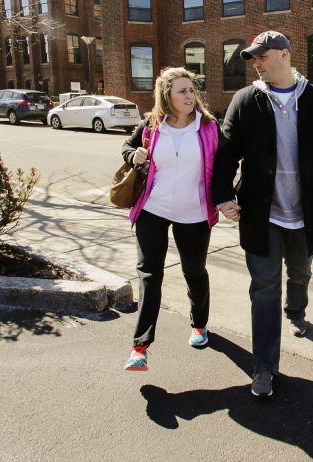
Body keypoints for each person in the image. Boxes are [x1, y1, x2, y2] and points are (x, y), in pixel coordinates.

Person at [212, 31, 313, 397]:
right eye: (254, 58)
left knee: (300, 271)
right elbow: (226, 153)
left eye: (262, 56)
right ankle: (264, 367)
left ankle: (297, 310)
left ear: (284, 55)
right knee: (264, 288)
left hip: (306, 214)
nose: (256, 63)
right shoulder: (245, 100)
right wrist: (223, 196)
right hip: (261, 214)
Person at [122, 67, 220, 371]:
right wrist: (132, 155)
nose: (190, 96)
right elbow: (127, 146)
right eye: (182, 91)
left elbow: (226, 165)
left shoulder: (209, 128)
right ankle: (140, 347)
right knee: (150, 275)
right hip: (153, 209)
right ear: (167, 96)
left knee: (194, 271)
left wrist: (229, 198)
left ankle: (199, 324)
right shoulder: (151, 125)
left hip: (193, 212)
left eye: (191, 90)